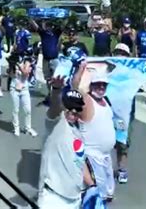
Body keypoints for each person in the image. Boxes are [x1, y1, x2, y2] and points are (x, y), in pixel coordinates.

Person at [37, 78, 95, 208]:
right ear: (64, 106)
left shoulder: (78, 133)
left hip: (75, 199)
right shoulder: (56, 124)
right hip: (53, 198)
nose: (73, 111)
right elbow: (54, 110)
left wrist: (92, 186)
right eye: (69, 107)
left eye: (77, 108)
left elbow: (80, 161)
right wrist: (57, 90)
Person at [72, 64, 116, 201]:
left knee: (107, 195)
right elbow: (75, 90)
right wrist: (81, 69)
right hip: (92, 157)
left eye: (104, 85)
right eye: (97, 84)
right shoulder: (86, 101)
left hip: (106, 157)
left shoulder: (105, 101)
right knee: (95, 194)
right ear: (91, 85)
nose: (101, 87)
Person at [112, 43, 134, 184]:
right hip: (107, 112)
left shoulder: (132, 72)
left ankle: (121, 169)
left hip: (123, 115)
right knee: (104, 141)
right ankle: (103, 168)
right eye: (117, 52)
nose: (119, 54)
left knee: (122, 143)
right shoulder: (106, 69)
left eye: (123, 53)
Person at [30, 18, 62, 97]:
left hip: (54, 59)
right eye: (47, 26)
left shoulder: (56, 33)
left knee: (56, 77)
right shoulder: (43, 33)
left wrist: (63, 18)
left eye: (50, 26)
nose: (48, 27)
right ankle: (50, 93)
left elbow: (63, 26)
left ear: (52, 27)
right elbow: (36, 27)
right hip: (45, 59)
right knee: (47, 78)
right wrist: (31, 19)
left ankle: (57, 93)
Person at [9, 56, 38, 137]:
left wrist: (19, 65)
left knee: (28, 110)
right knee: (15, 110)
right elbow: (11, 75)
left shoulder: (27, 62)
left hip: (24, 89)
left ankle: (28, 128)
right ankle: (16, 128)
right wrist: (11, 65)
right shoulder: (14, 61)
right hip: (14, 88)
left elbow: (25, 73)